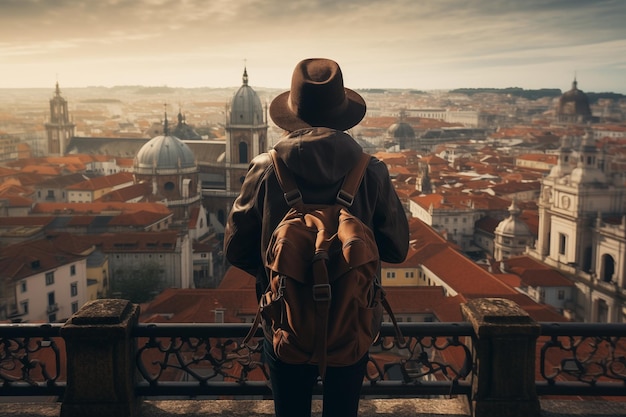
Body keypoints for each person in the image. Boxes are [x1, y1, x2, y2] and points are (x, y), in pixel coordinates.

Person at [224, 58, 409, 417]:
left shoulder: (265, 167)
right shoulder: (370, 170)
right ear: (343, 115)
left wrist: (282, 270)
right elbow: (397, 248)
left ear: (292, 114)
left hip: (282, 319)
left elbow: (235, 248)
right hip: (351, 319)